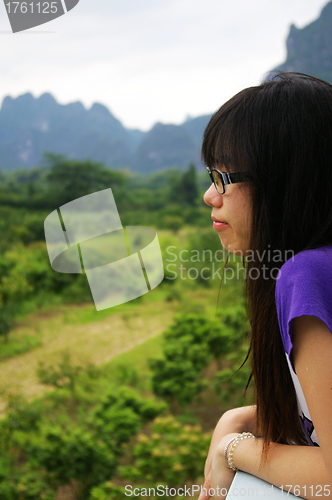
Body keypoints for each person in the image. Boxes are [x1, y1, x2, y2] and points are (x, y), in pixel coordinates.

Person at [199, 72, 332, 500]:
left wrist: (233, 450)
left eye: (223, 177)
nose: (209, 195)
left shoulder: (305, 274)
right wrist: (237, 421)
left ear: (282, 181)